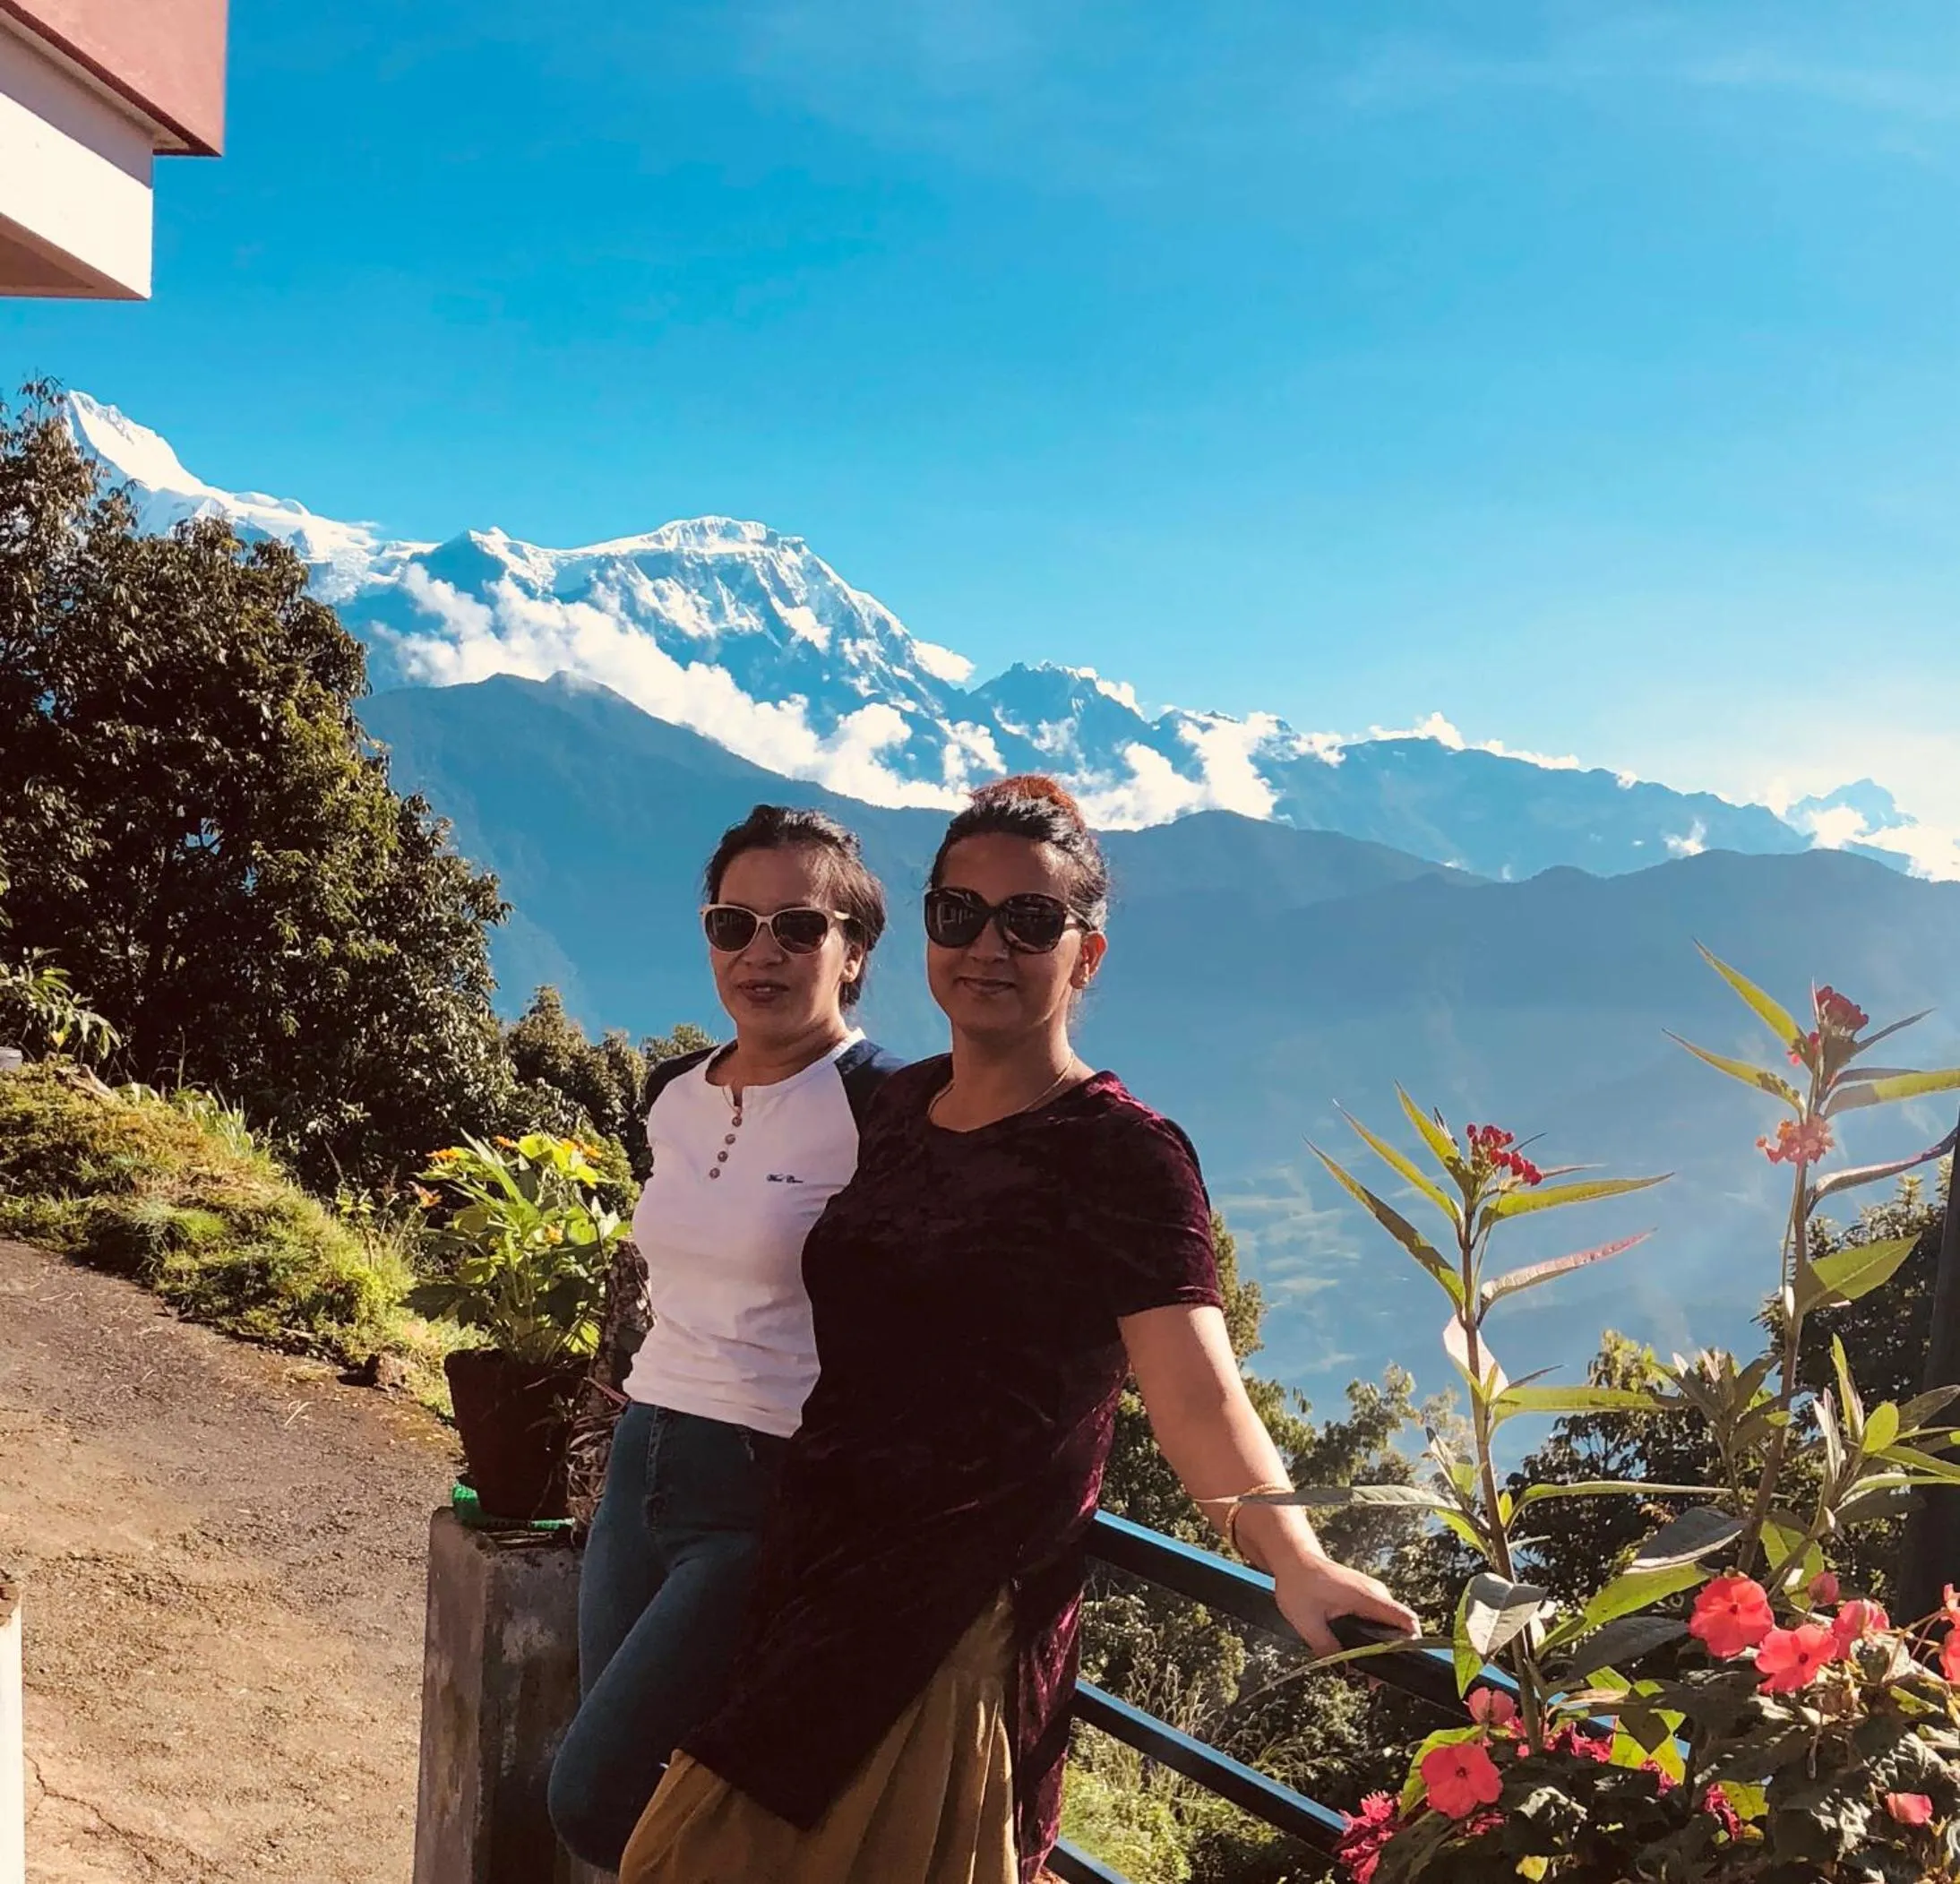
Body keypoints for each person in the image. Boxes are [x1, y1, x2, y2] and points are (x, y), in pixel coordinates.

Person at [619, 774, 1418, 1884]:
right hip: (814, 1567)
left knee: (690, 1861)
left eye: (1029, 921)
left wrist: (1294, 1559)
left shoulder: (1121, 1153)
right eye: (959, 913)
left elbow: (1195, 1392)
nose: (987, 945)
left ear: (1084, 956)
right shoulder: (900, 1108)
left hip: (947, 1611)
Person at [547, 804, 904, 1874]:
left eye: (798, 927)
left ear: (851, 954)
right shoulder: (673, 1095)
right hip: (641, 1466)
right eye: (731, 923)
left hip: (761, 1488)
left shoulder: (886, 1104)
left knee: (593, 1795)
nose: (761, 952)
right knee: (654, 1800)